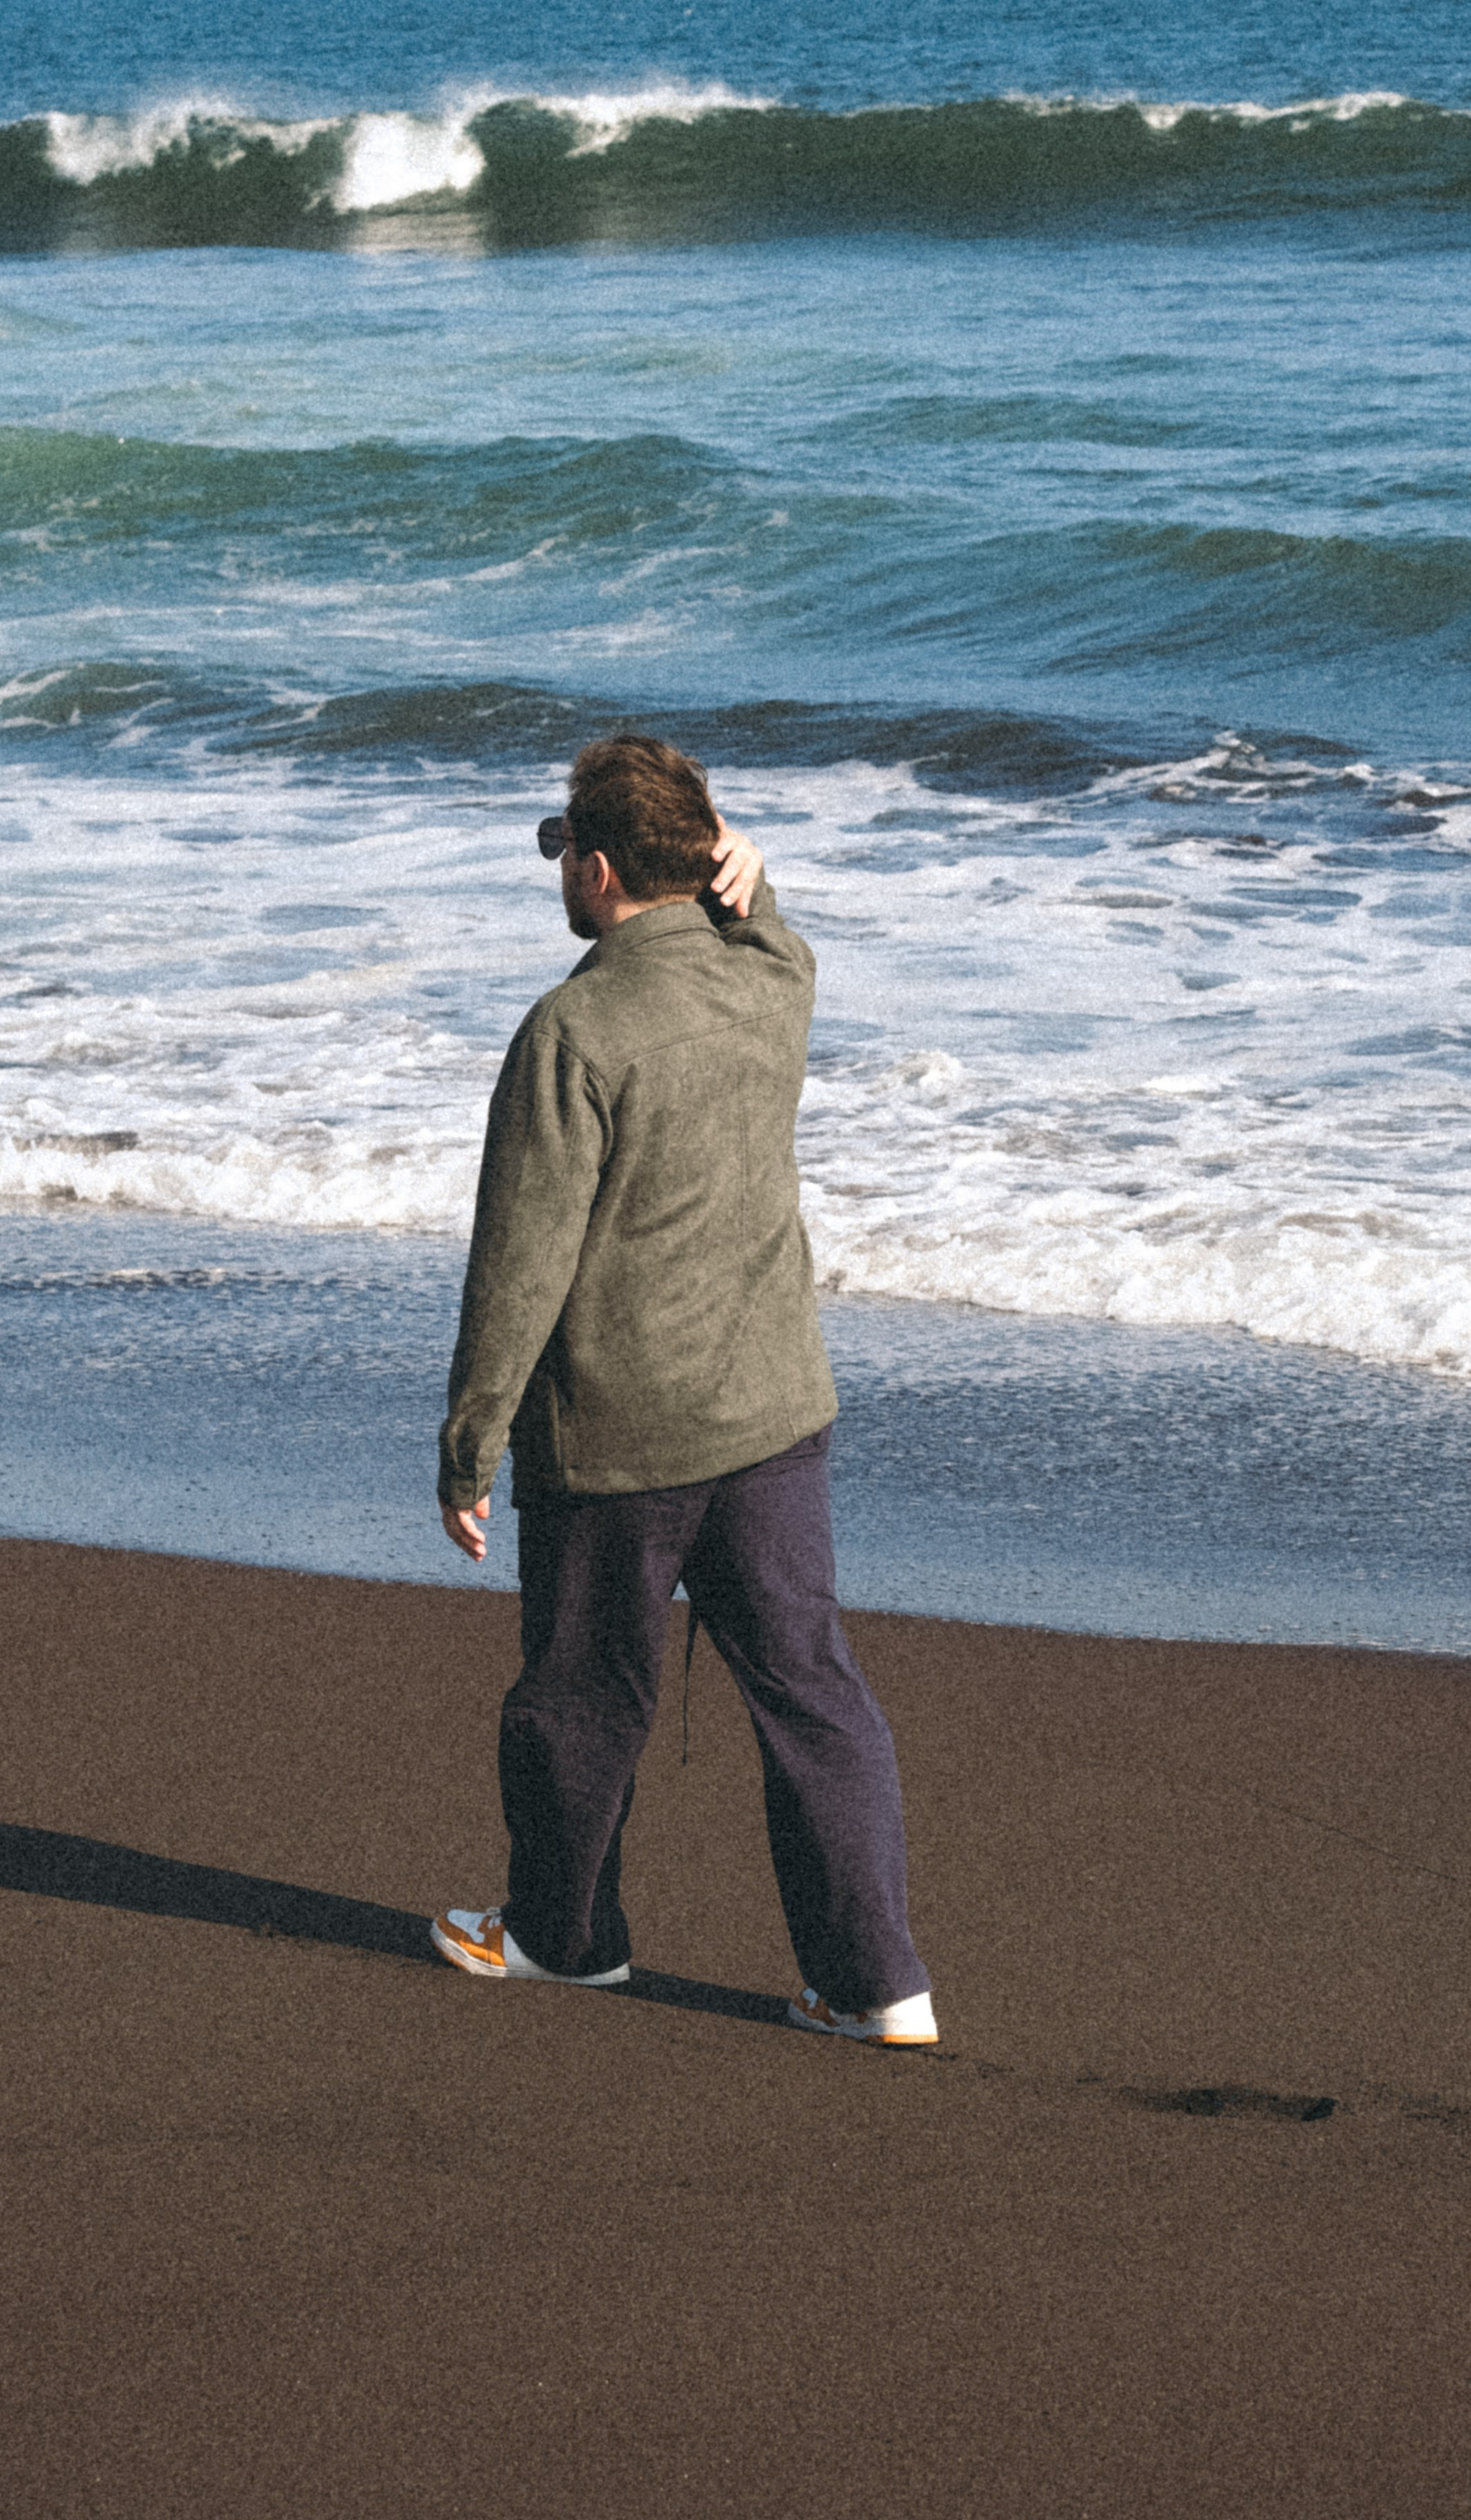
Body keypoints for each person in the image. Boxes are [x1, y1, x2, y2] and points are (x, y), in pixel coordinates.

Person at [433, 733, 934, 2048]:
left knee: (583, 1696)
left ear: (598, 872)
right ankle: (880, 1984)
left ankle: (565, 1939)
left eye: (566, 854)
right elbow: (778, 936)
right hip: (774, 1411)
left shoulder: (574, 1028)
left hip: (621, 1430)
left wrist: (472, 1437)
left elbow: (521, 1261)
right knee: (813, 1692)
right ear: (699, 859)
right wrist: (749, 882)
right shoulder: (773, 979)